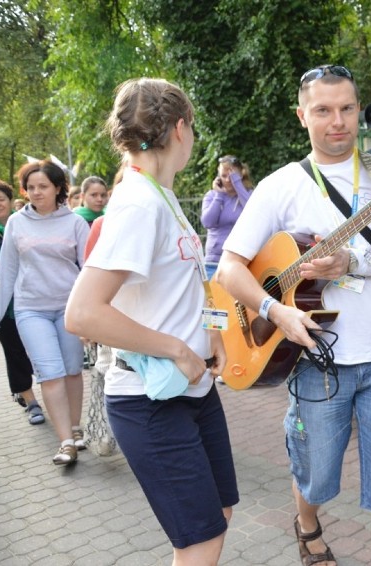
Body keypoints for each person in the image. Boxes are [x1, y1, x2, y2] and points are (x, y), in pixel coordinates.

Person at [214, 64, 371, 566]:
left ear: (359, 110)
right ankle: (307, 521)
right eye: (324, 110)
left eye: (348, 108)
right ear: (302, 116)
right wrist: (273, 310)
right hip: (314, 359)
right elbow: (229, 269)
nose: (339, 121)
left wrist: (354, 261)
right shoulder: (279, 186)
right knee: (316, 474)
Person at [65, 77, 238, 565]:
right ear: (181, 129)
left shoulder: (161, 197)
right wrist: (180, 350)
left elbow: (176, 288)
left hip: (193, 390)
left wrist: (212, 333)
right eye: (194, 130)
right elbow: (82, 313)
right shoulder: (139, 203)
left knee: (214, 518)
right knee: (200, 538)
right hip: (152, 400)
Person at [0, 160, 90, 465]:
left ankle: (75, 426)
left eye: (43, 186)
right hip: (31, 310)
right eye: (30, 187)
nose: (36, 192)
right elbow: (8, 272)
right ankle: (66, 442)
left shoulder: (75, 224)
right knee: (50, 373)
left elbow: (88, 272)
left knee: (72, 371)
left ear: (58, 188)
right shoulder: (17, 223)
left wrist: (92, 316)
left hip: (69, 308)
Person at [0, 178, 45, 425]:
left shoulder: (25, 226)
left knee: (38, 350)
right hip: (3, 308)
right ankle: (31, 402)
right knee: (14, 352)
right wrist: (4, 285)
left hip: (35, 301)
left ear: (10, 201)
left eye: (1, 199)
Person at [200, 155, 252, 280]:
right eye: (224, 176)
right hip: (213, 262)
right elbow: (207, 222)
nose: (228, 180)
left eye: (232, 175)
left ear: (241, 175)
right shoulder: (211, 196)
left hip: (239, 262)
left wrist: (238, 184)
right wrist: (219, 195)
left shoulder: (249, 194)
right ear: (218, 178)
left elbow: (252, 212)